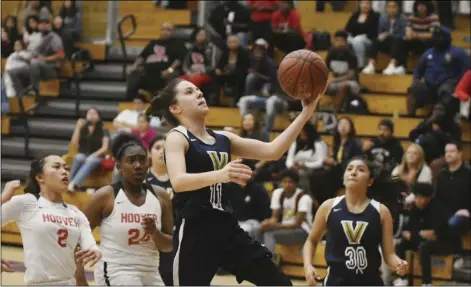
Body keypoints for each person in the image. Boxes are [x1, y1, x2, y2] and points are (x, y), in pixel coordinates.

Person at [147, 78, 323, 285]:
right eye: (189, 92)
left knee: (279, 283)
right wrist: (222, 174)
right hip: (195, 230)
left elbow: (272, 151)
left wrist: (305, 114)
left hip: (226, 227)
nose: (199, 93)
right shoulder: (177, 137)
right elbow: (178, 181)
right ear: (175, 108)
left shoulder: (223, 138)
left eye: (198, 90)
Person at [75, 133, 173, 286]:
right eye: (131, 161)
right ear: (119, 167)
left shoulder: (161, 196)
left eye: (142, 160)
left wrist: (155, 232)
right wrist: (79, 277)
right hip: (116, 270)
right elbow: (76, 237)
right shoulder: (106, 195)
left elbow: (168, 245)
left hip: (151, 271)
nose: (138, 165)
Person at [303, 156, 409, 286]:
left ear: (369, 181)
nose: (353, 172)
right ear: (344, 179)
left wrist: (399, 264)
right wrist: (308, 266)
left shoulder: (381, 211)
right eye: (349, 169)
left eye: (361, 169)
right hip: (336, 282)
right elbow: (311, 240)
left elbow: (389, 255)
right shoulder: (328, 207)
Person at [1, 155, 101, 285]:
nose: (64, 171)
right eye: (56, 167)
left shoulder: (76, 213)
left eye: (66, 168)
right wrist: (3, 198)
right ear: (40, 177)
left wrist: (95, 250)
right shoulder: (27, 202)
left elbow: (90, 245)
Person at [393, 183, 456, 286]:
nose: (418, 200)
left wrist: (415, 234)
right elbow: (408, 232)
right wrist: (419, 234)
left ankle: (427, 282)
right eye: (416, 197)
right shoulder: (415, 208)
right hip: (422, 240)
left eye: (421, 198)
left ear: (428, 198)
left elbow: (433, 234)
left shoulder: (437, 208)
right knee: (400, 245)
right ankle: (403, 278)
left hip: (443, 242)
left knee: (424, 247)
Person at [407, 26, 469, 116]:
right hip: (429, 86)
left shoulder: (458, 53)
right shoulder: (428, 53)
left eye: (439, 36)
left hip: (447, 86)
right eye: (435, 36)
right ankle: (409, 117)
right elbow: (418, 70)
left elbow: (466, 73)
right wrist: (416, 80)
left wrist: (458, 84)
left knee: (445, 90)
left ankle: (438, 116)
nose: (436, 39)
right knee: (413, 88)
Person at [256, 170, 314, 261]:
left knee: (270, 235)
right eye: (284, 182)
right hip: (285, 228)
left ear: (296, 183)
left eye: (290, 182)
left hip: (302, 231)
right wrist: (268, 223)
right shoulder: (278, 193)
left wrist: (276, 226)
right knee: (259, 230)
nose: (287, 184)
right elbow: (275, 217)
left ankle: (268, 263)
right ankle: (261, 258)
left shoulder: (304, 198)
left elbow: (297, 224)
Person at [126, 23, 186, 100]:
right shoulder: (153, 43)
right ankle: (130, 103)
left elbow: (180, 59)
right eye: (163, 29)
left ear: (173, 32)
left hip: (164, 72)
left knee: (171, 77)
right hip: (148, 71)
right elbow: (142, 56)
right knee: (134, 74)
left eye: (168, 30)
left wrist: (170, 70)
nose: (165, 32)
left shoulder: (177, 44)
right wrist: (134, 66)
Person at [146, 135, 174, 286]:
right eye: (157, 148)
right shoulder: (141, 180)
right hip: (146, 238)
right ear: (149, 152)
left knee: (169, 277)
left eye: (166, 149)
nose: (161, 152)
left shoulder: (179, 179)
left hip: (171, 238)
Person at [68, 108, 110, 191]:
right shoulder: (83, 127)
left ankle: (74, 184)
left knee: (91, 160)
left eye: (94, 113)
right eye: (89, 113)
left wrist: (93, 155)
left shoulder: (103, 128)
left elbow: (105, 147)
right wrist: (78, 127)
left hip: (98, 156)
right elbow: (74, 142)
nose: (91, 116)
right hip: (84, 154)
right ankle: (67, 182)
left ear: (99, 116)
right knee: (78, 157)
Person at [362, 0, 408, 75]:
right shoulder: (383, 18)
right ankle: (371, 65)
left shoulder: (403, 19)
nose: (391, 9)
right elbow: (380, 32)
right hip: (387, 42)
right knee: (375, 40)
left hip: (399, 43)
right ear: (386, 8)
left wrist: (388, 35)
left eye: (394, 7)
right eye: (389, 7)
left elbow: (403, 35)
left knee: (397, 40)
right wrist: (381, 36)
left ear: (398, 8)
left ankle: (392, 65)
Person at [286, 121, 328, 193]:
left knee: (301, 173)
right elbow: (289, 159)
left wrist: (305, 165)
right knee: (287, 174)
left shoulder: (318, 144)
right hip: (296, 167)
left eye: (305, 134)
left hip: (312, 168)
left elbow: (321, 161)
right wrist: (290, 165)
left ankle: (305, 194)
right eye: (301, 134)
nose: (302, 137)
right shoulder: (295, 143)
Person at [325, 31, 360, 112]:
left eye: (341, 41)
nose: (339, 43)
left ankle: (336, 111)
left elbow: (351, 75)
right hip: (335, 81)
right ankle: (315, 112)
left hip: (351, 83)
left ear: (346, 42)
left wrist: (334, 80)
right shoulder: (331, 54)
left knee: (344, 86)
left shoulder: (351, 55)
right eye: (337, 40)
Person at [214, 35, 250, 106]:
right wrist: (218, 70)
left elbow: (243, 68)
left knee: (240, 77)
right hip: (226, 74)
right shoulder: (225, 52)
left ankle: (237, 101)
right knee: (214, 75)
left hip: (238, 75)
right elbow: (219, 65)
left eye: (234, 42)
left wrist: (229, 72)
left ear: (239, 43)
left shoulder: (244, 53)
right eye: (230, 42)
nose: (232, 44)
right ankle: (216, 100)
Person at [344, 0, 380, 68]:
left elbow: (375, 32)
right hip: (354, 38)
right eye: (362, 3)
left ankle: (360, 64)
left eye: (367, 3)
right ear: (359, 5)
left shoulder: (375, 16)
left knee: (358, 40)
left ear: (371, 5)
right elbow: (347, 29)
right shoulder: (355, 15)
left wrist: (362, 36)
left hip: (369, 40)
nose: (365, 5)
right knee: (346, 40)